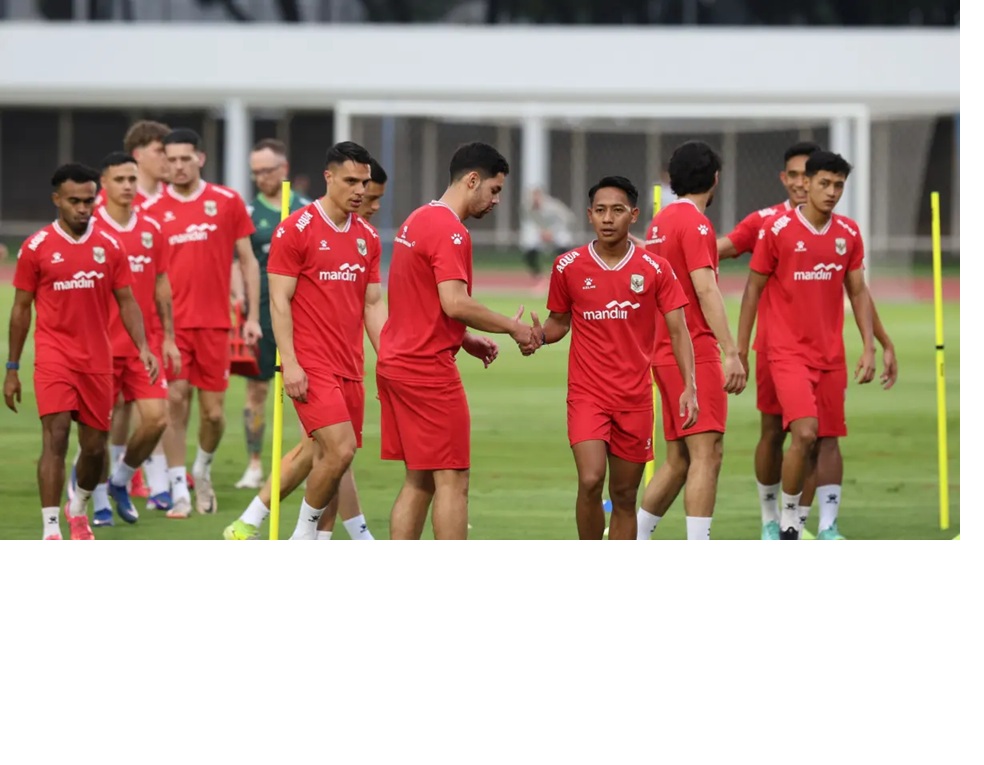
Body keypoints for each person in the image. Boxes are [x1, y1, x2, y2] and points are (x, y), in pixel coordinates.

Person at [718, 141, 897, 540]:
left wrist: (872, 344)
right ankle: (782, 519)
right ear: (803, 183)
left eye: (838, 185)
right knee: (798, 433)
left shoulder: (848, 233)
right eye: (824, 183)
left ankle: (824, 526)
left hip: (830, 355)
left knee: (827, 440)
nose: (831, 192)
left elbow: (858, 291)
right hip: (783, 353)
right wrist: (740, 351)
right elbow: (751, 289)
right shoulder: (775, 228)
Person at [377, 141, 539, 540]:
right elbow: (453, 302)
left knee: (420, 480)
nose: (496, 200)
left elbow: (419, 301)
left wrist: (464, 338)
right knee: (453, 479)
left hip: (396, 361)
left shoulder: (416, 219)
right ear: (472, 180)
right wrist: (512, 327)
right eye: (495, 189)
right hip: (426, 371)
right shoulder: (451, 231)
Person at [224, 156, 389, 541]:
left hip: (350, 362)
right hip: (311, 363)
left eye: (365, 183)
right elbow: (280, 302)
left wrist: (389, 359)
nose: (361, 191)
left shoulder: (368, 236)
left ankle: (259, 526)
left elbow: (372, 304)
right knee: (340, 450)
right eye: (351, 181)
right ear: (328, 177)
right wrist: (292, 365)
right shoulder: (295, 230)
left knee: (325, 456)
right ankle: (304, 535)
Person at [533, 175, 697, 540]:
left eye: (618, 210)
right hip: (587, 395)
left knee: (624, 497)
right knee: (591, 480)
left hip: (635, 399)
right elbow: (559, 322)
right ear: (590, 215)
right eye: (601, 211)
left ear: (634, 215)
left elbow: (678, 330)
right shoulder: (568, 266)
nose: (608, 218)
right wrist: (539, 336)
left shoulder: (655, 269)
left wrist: (690, 386)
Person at [4, 163, 158, 540]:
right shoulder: (36, 248)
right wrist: (11, 368)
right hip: (54, 358)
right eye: (75, 201)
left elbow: (128, 301)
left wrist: (143, 347)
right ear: (57, 199)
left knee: (93, 449)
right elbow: (21, 309)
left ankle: (79, 508)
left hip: (97, 361)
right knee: (55, 438)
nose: (83, 208)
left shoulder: (109, 246)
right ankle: (51, 527)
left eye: (89, 200)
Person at [635, 141, 746, 541]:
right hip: (694, 349)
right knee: (707, 452)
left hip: (663, 349)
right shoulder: (697, 225)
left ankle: (634, 535)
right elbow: (705, 289)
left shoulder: (659, 223)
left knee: (679, 458)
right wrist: (731, 351)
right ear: (715, 179)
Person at [149, 128, 261, 518]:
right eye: (171, 159)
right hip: (171, 329)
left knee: (213, 413)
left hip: (216, 325)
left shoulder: (226, 202)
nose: (178, 166)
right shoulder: (151, 210)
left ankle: (203, 470)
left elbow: (248, 259)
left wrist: (250, 315)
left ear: (200, 158)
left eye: (185, 158)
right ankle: (180, 489)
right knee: (175, 403)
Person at [88, 152, 180, 526]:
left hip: (145, 346)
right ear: (103, 184)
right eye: (119, 180)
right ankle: (95, 502)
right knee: (97, 432)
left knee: (157, 420)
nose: (127, 186)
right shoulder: (90, 227)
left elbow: (161, 284)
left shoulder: (151, 229)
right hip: (99, 347)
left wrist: (169, 338)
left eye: (131, 179)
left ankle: (121, 480)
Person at [233, 138, 311, 491]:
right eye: (255, 173)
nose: (261, 178)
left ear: (283, 169)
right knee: (257, 391)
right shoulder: (248, 215)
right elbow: (238, 263)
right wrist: (242, 305)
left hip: (302, 315)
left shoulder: (307, 210)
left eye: (267, 170)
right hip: (262, 314)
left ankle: (307, 456)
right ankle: (253, 464)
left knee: (306, 391)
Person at [520, 187, 576, 291]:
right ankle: (539, 278)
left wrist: (552, 232)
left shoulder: (553, 206)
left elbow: (567, 218)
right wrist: (543, 232)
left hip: (559, 231)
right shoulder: (529, 208)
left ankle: (566, 278)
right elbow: (534, 222)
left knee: (564, 251)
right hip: (543, 233)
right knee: (529, 248)